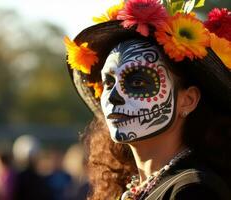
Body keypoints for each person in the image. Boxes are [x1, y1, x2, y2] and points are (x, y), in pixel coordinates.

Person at [64, 0, 231, 199]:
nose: (113, 96)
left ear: (188, 100)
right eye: (108, 82)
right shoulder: (136, 188)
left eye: (138, 82)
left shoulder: (193, 190)